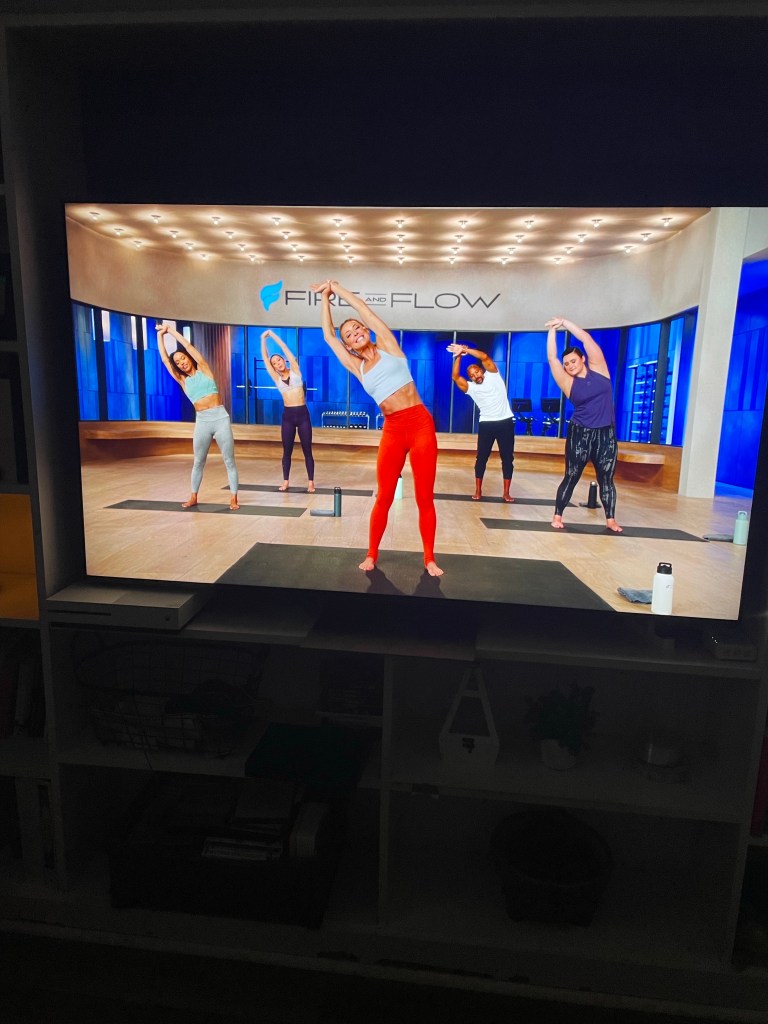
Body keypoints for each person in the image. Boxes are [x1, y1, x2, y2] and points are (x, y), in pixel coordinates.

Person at [312, 279, 443, 577]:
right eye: (349, 335)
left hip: (420, 424)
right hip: (393, 430)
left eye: (357, 328)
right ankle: (371, 554)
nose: (355, 333)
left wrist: (336, 287)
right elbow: (328, 336)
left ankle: (429, 558)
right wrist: (325, 298)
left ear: (367, 331)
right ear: (348, 345)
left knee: (424, 497)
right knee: (384, 496)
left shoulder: (388, 345)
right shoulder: (356, 366)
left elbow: (364, 309)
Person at [545, 316, 622, 532]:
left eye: (573, 361)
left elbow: (586, 338)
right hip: (580, 433)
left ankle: (611, 520)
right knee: (572, 475)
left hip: (606, 434)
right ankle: (557, 515)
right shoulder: (567, 382)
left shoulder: (600, 369)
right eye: (567, 363)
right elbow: (552, 358)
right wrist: (552, 330)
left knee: (606, 478)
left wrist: (564, 322)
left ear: (583, 359)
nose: (569, 365)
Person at [155, 322, 240, 510]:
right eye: (178, 362)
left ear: (188, 358)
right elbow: (165, 360)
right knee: (198, 461)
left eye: (183, 358)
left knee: (229, 460)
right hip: (202, 421)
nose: (181, 363)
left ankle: (234, 498)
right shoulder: (182, 380)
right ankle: (193, 496)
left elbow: (188, 346)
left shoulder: (204, 369)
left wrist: (171, 331)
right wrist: (160, 336)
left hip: (220, 418)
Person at [447, 342, 515, 502]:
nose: (475, 376)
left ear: (482, 371)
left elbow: (484, 357)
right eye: (471, 375)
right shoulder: (471, 388)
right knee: (481, 458)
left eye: (476, 371)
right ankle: (478, 490)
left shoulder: (493, 375)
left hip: (505, 422)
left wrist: (465, 349)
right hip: (486, 424)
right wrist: (458, 356)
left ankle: (506, 493)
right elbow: (455, 377)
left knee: (507, 458)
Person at [260, 329, 316, 493]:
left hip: (303, 415)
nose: (277, 363)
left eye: (279, 360)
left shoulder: (295, 370)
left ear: (284, 360)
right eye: (274, 363)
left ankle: (311, 482)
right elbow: (265, 359)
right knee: (287, 451)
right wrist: (263, 339)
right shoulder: (276, 378)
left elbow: (284, 348)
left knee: (307, 450)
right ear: (274, 367)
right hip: (288, 417)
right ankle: (285, 481)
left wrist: (273, 335)